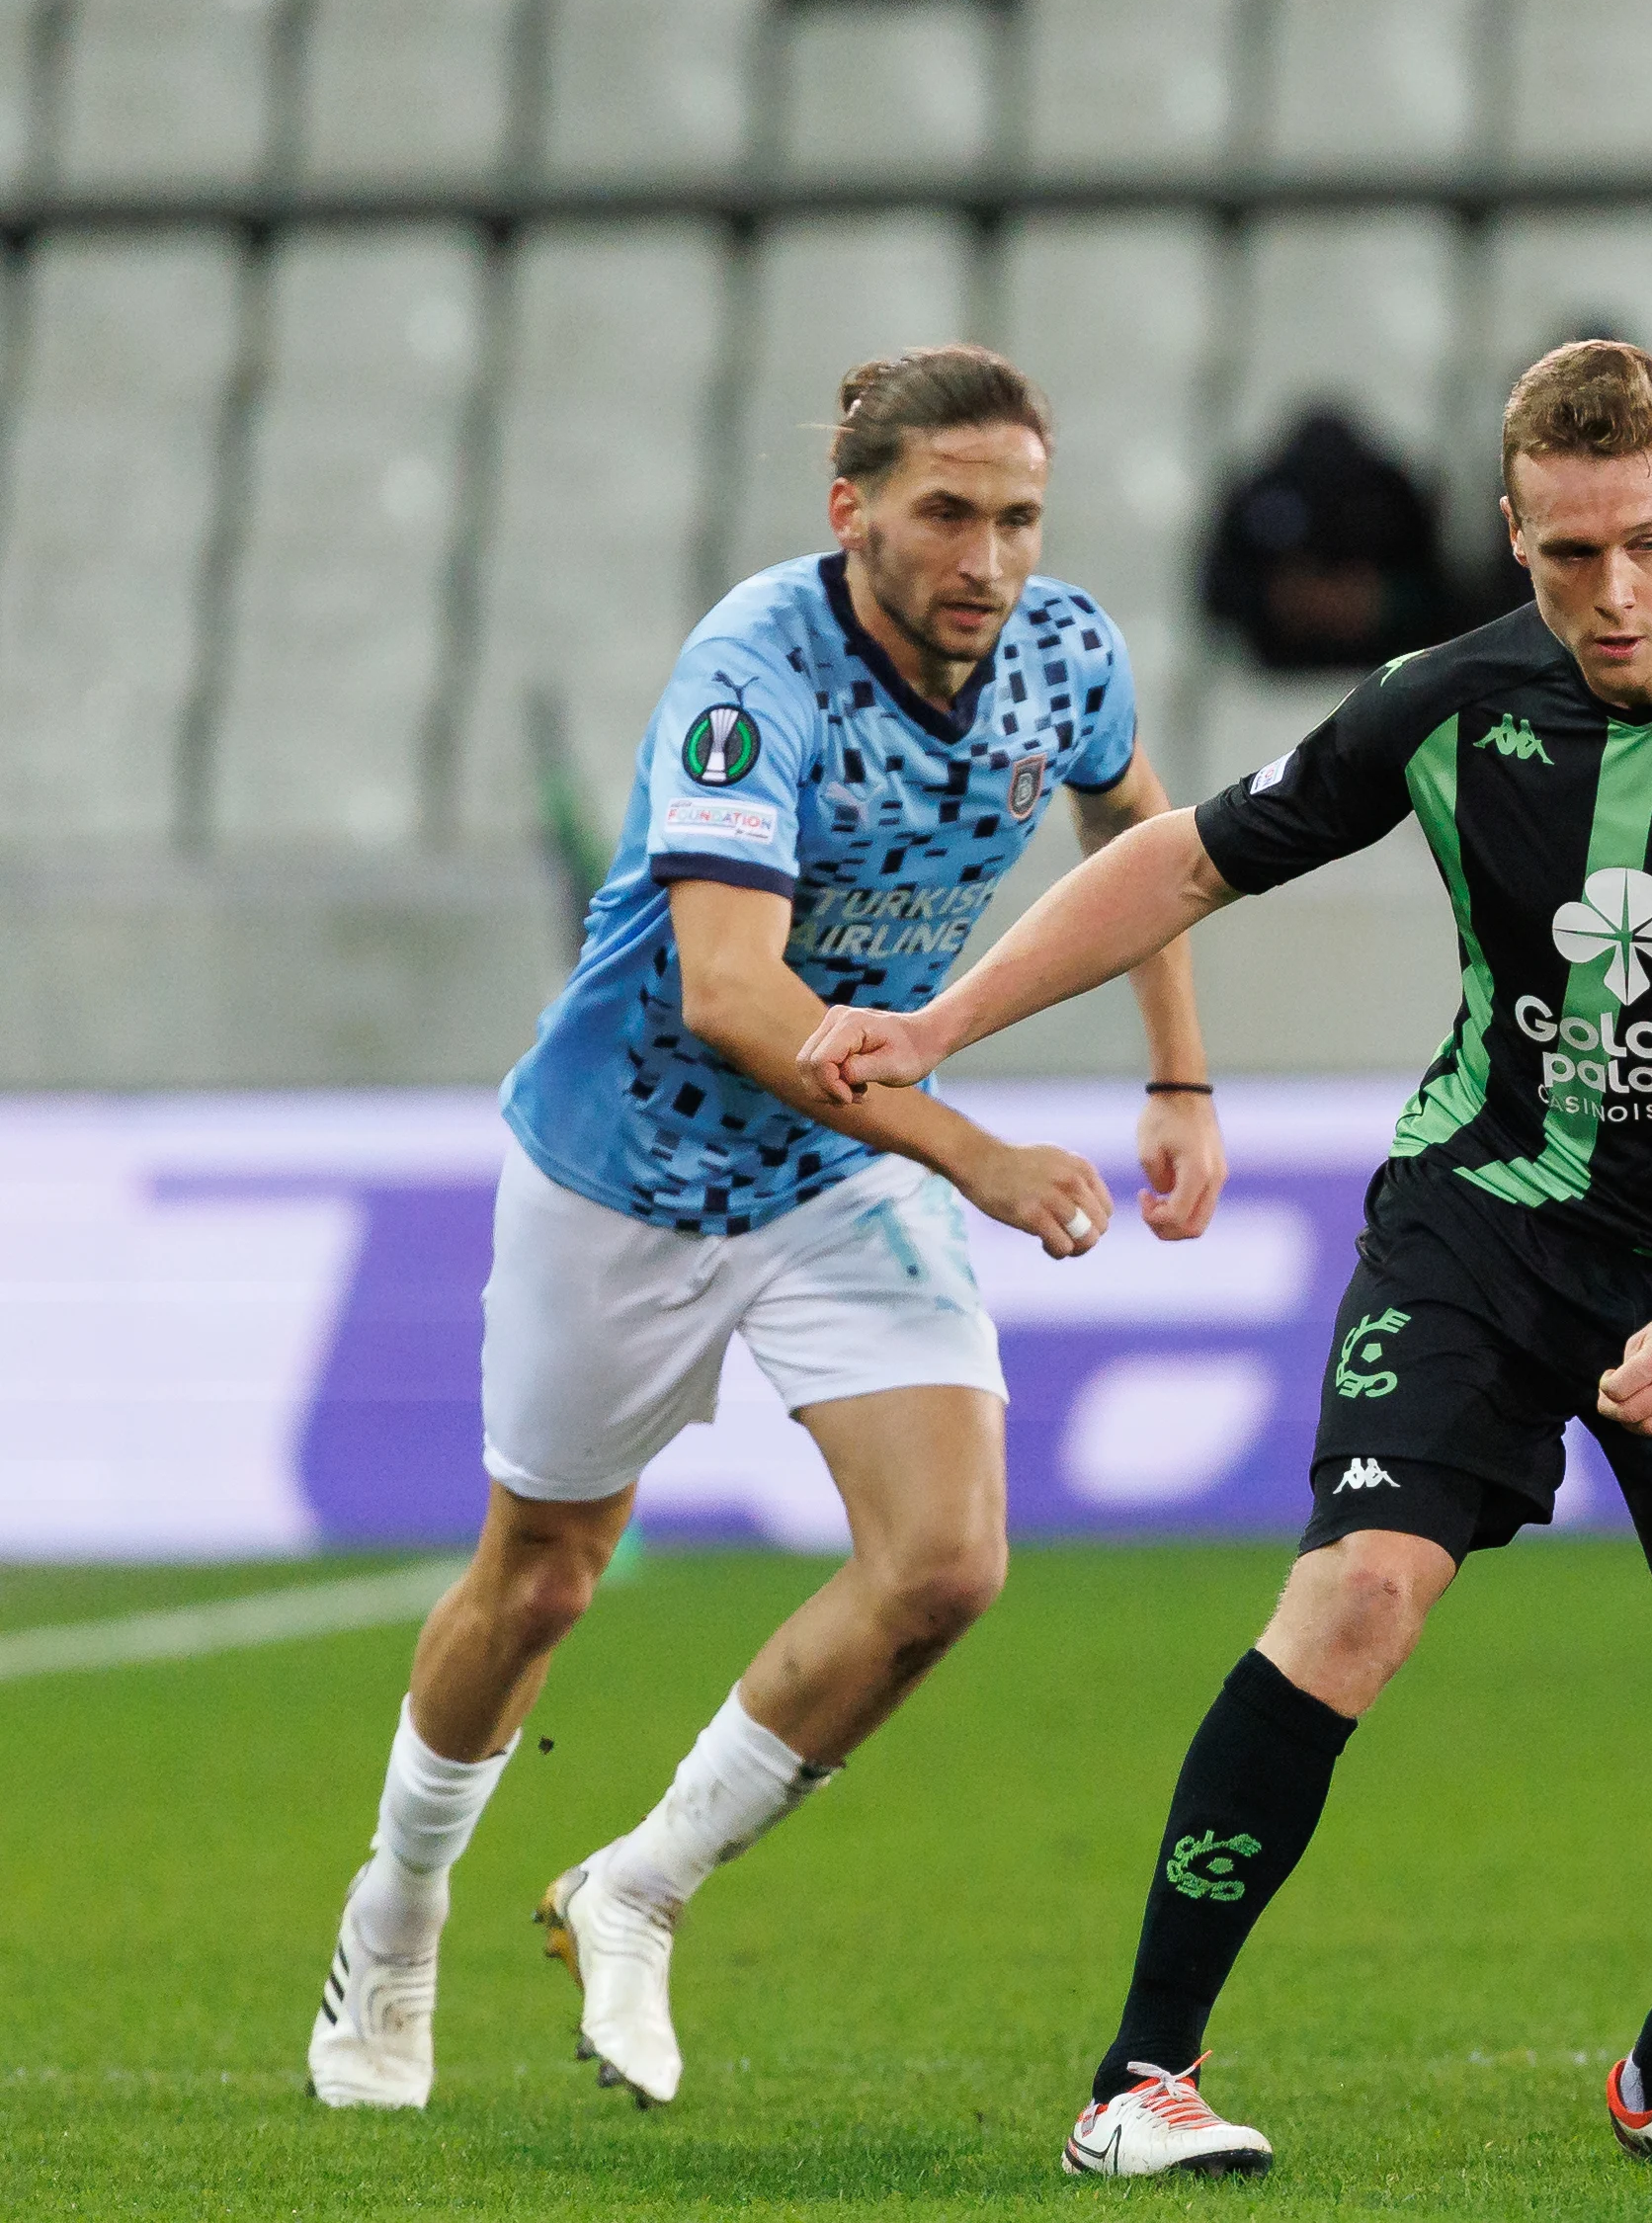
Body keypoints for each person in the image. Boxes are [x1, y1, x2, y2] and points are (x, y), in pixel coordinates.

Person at [796, 340, 1652, 2177]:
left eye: (1646, 542)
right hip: (1479, 1227)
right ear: (1511, 537)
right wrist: (942, 1023)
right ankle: (1140, 2076)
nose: (1611, 592)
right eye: (1566, 554)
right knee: (1356, 1596)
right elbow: (1182, 860)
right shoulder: (1451, 698)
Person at [303, 346, 1226, 2112]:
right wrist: (971, 1148)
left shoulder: (1061, 648)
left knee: (947, 1562)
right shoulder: (753, 670)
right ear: (851, 509)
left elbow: (1142, 829)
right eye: (944, 511)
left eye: (1017, 515)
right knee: (543, 1575)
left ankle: (636, 1882)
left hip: (837, 1168)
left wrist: (1177, 1078)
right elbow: (731, 992)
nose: (985, 555)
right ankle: (398, 1905)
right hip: (629, 1164)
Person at [1200, 405, 1455, 674]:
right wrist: (1280, 599)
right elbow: (1217, 597)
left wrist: (1382, 601)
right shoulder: (1250, 502)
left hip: (1387, 679)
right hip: (1270, 678)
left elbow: (1443, 596)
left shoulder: (1398, 499)